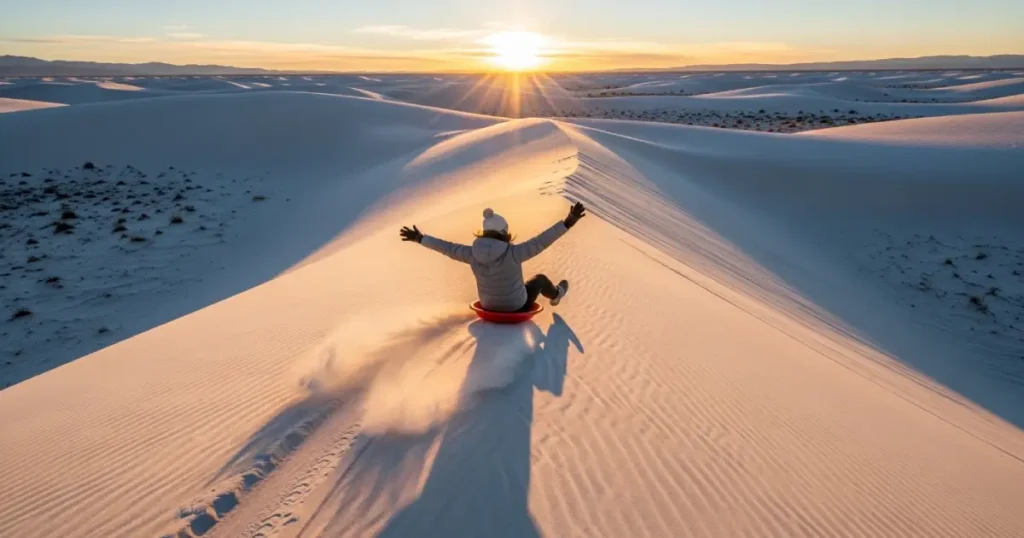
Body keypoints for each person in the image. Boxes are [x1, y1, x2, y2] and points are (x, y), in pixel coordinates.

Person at [400, 202, 586, 312]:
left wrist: (421, 238)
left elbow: (447, 248)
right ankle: (556, 295)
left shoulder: (471, 253)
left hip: (488, 307)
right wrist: (568, 222)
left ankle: (553, 294)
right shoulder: (513, 253)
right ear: (505, 233)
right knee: (539, 279)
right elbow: (540, 242)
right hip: (516, 306)